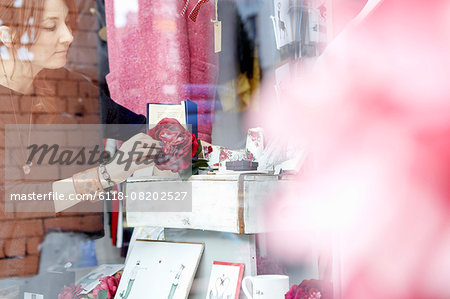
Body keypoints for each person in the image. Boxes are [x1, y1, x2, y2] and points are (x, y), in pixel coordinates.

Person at [0, 0, 161, 277]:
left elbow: (138, 127)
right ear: (6, 35)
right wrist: (108, 173)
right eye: (51, 26)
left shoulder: (70, 90)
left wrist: (175, 135)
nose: (68, 36)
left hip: (61, 264)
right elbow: (17, 199)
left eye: (66, 23)